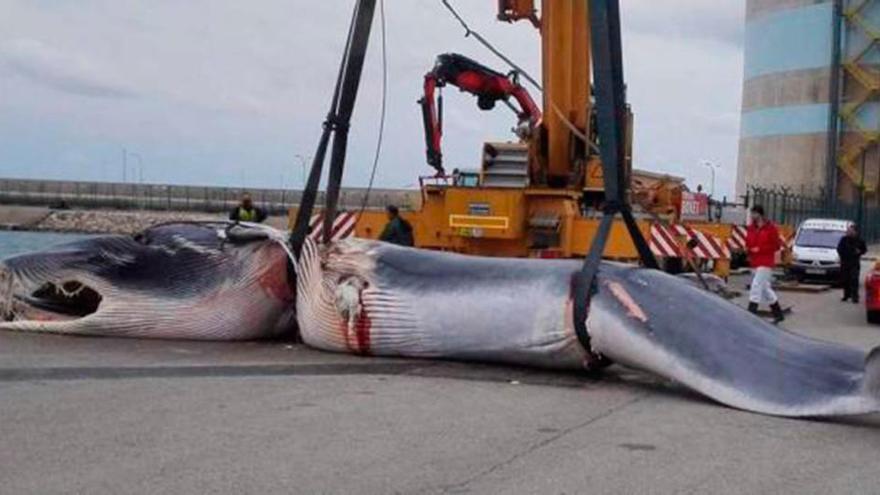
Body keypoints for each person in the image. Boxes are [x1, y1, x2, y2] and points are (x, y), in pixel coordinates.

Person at [745, 205, 785, 323]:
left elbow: (776, 245)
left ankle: (751, 313)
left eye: (754, 214)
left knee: (756, 286)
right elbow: (748, 241)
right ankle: (778, 313)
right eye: (751, 214)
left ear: (760, 214)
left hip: (766, 261)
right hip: (755, 261)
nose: (752, 216)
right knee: (765, 289)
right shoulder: (751, 228)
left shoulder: (770, 228)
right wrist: (749, 249)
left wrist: (760, 249)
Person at [837, 223, 867, 303]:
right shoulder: (844, 239)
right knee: (845, 279)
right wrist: (842, 256)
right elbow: (839, 248)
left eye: (851, 231)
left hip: (854, 263)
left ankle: (855, 297)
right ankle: (846, 295)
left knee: (854, 279)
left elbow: (864, 250)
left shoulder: (860, 240)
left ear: (855, 232)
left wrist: (859, 252)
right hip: (845, 262)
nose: (849, 232)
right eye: (848, 231)